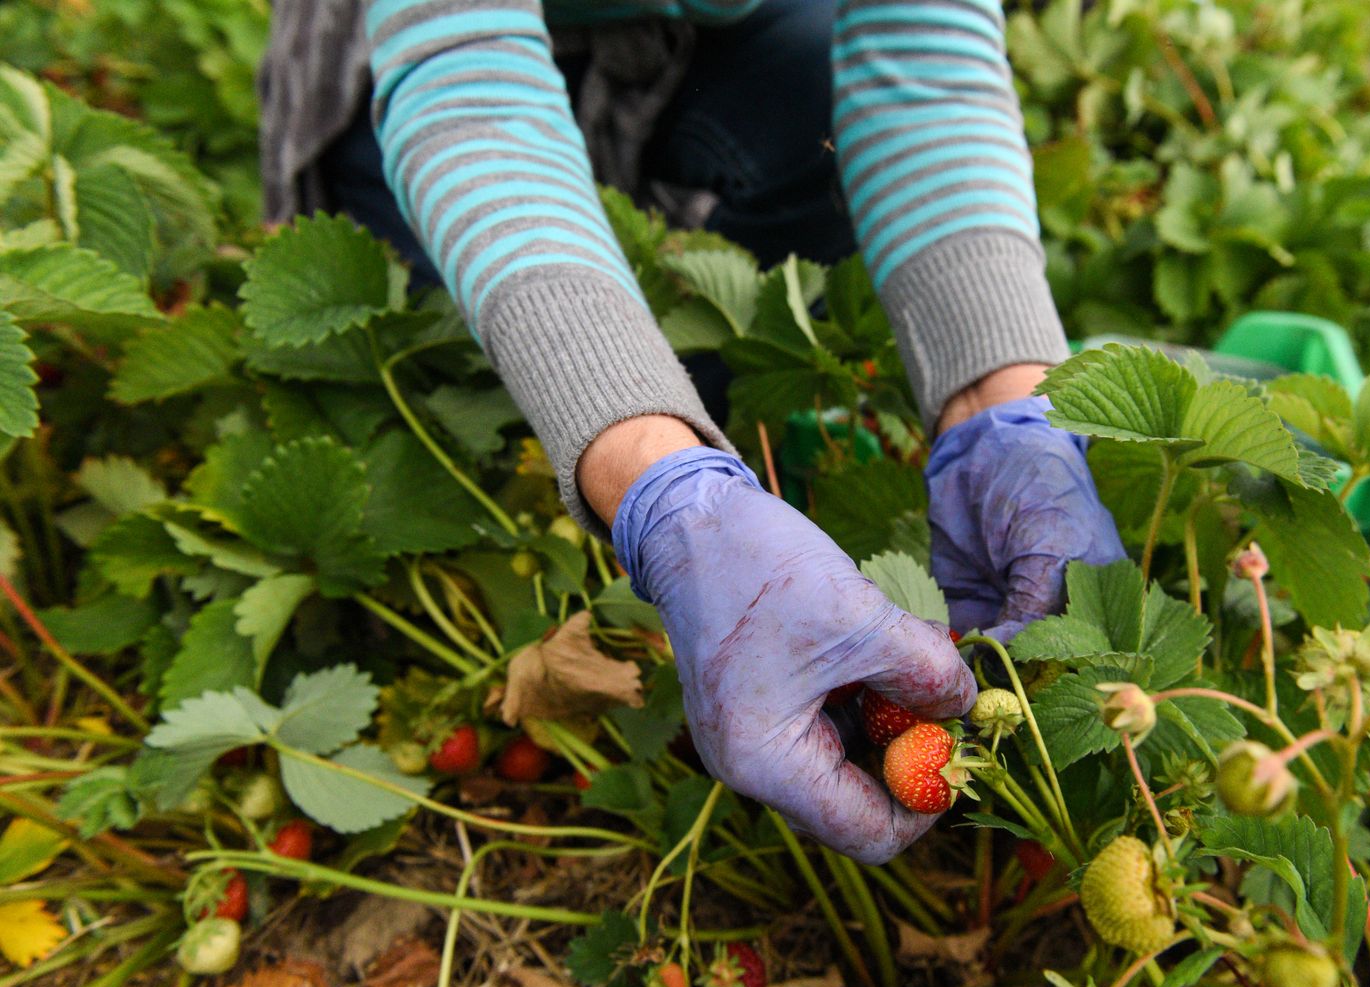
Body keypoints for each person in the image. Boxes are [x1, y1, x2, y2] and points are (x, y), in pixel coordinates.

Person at [258, 0, 1124, 865]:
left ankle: (708, 426)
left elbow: (924, 53)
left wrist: (1000, 403)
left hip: (707, 44)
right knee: (456, 401)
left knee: (813, 90)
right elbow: (468, 84)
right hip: (429, 76)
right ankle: (679, 467)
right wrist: (663, 494)